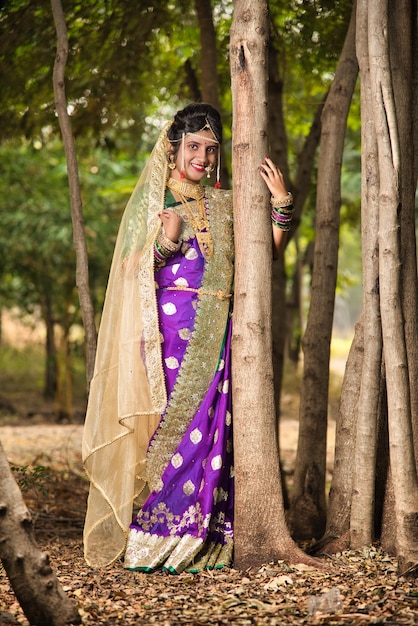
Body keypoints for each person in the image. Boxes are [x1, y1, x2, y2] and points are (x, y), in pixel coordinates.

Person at [82, 102, 293, 574]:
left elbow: (263, 260)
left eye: (211, 149)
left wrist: (281, 206)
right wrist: (165, 242)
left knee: (214, 429)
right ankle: (156, 536)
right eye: (194, 147)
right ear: (174, 148)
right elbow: (128, 275)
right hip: (173, 330)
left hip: (222, 328)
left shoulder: (225, 203)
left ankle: (206, 531)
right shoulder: (157, 200)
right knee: (176, 430)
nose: (203, 157)